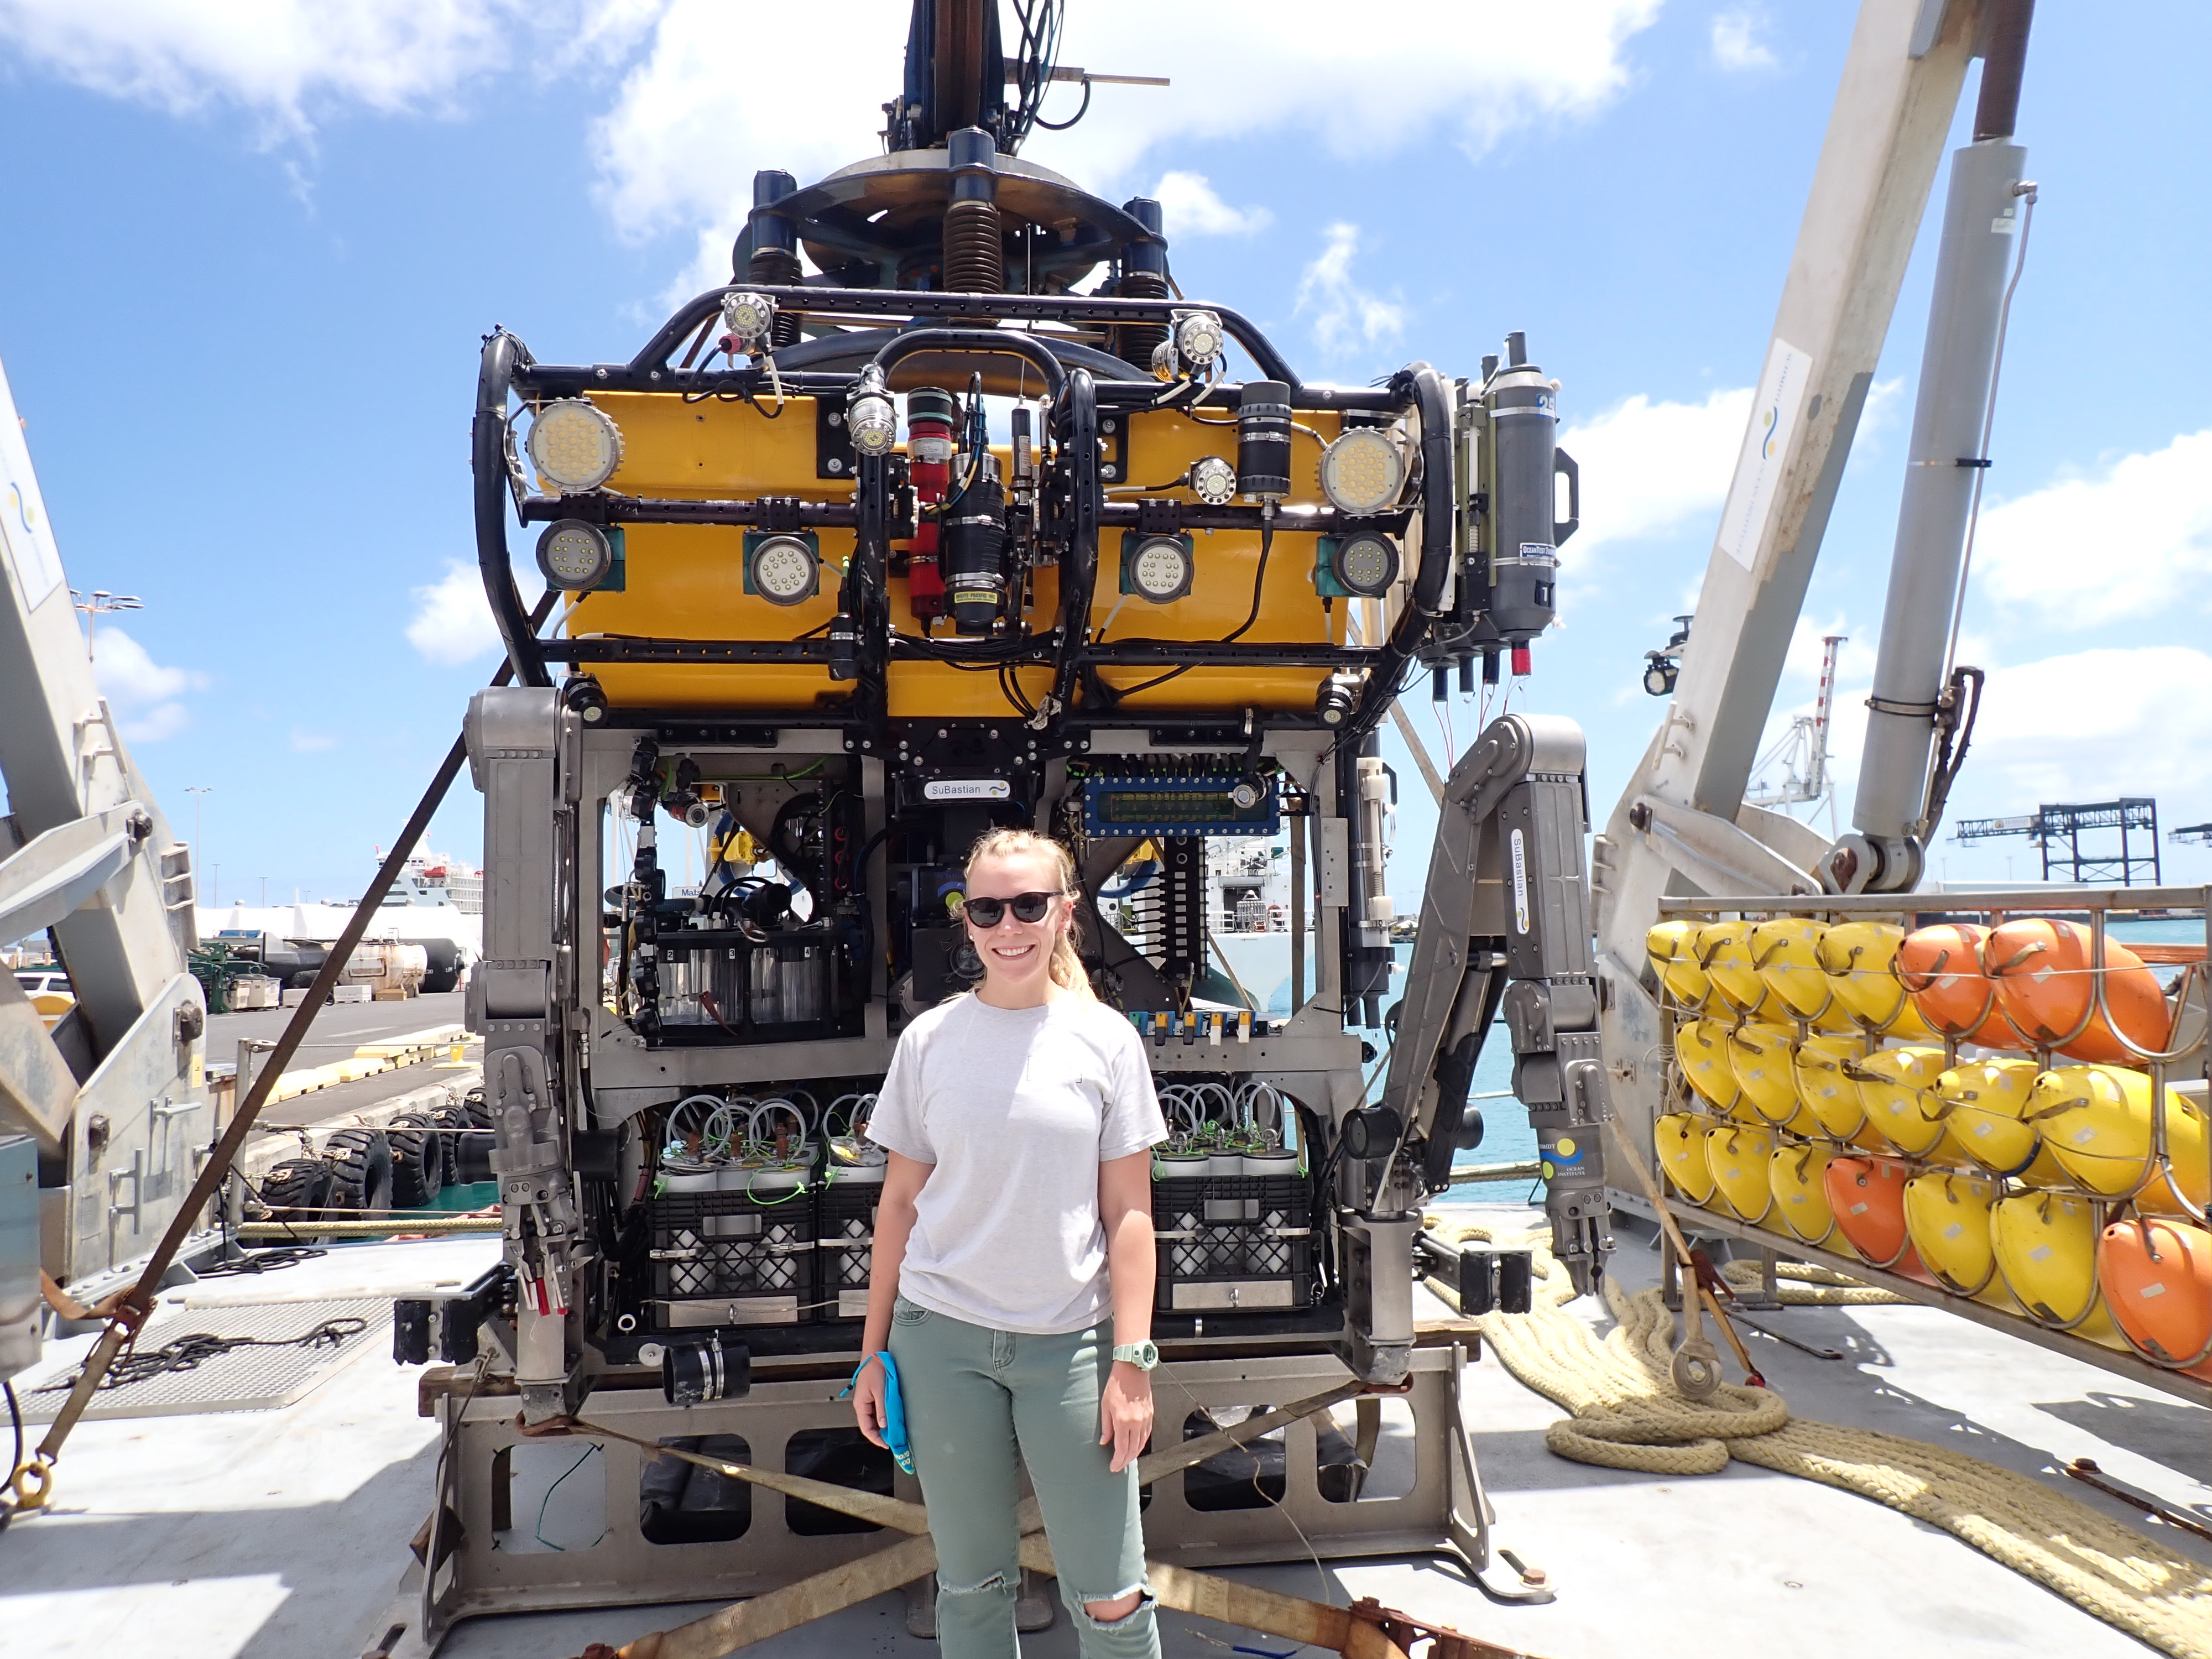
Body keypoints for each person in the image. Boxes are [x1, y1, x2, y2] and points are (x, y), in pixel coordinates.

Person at [853, 826, 1166, 1659]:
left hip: (1071, 1346)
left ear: (1066, 912)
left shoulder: (1106, 1042)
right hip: (940, 1341)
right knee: (971, 1587)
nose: (1009, 925)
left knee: (1111, 1594)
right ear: (966, 920)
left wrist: (1133, 1363)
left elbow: (1130, 1215)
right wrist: (873, 1352)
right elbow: (899, 1206)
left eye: (1030, 905)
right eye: (987, 908)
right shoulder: (929, 1042)